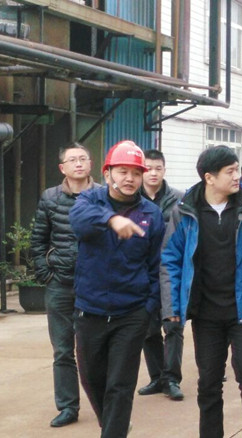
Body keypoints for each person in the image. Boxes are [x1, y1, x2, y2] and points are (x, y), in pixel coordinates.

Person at [162, 145, 242, 438]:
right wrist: (171, 307)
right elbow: (169, 260)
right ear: (209, 177)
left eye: (237, 170)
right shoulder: (185, 211)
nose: (237, 177)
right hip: (206, 313)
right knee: (208, 383)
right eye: (230, 172)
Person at [69, 140, 165, 437]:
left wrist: (149, 307)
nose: (130, 179)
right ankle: (113, 423)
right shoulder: (89, 201)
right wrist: (111, 219)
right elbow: (78, 221)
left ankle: (114, 430)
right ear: (107, 173)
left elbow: (156, 265)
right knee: (92, 379)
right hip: (90, 309)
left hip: (131, 313)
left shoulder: (151, 214)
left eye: (136, 173)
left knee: (120, 385)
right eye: (122, 171)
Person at [30, 142, 99, 427]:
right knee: (62, 350)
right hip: (59, 284)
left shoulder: (103, 196)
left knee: (94, 350)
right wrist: (46, 272)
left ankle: (104, 404)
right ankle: (68, 407)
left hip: (94, 287)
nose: (78, 163)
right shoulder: (50, 198)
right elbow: (38, 239)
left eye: (83, 158)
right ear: (62, 168)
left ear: (91, 164)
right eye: (72, 160)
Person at [137, 149, 186, 401]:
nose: (153, 173)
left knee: (173, 325)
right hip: (143, 273)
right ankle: (156, 377)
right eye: (148, 168)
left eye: (158, 168)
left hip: (171, 272)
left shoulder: (179, 199)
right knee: (148, 328)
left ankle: (172, 379)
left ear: (165, 170)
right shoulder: (132, 198)